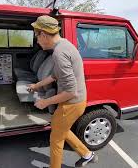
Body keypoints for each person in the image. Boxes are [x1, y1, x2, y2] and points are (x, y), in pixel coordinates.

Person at [27, 15, 97, 168]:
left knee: (56, 139)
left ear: (44, 35)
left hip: (71, 104)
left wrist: (45, 102)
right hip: (76, 102)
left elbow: (71, 91)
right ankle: (87, 154)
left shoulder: (59, 53)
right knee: (61, 129)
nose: (37, 41)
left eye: (36, 36)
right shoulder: (65, 45)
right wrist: (37, 85)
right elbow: (55, 75)